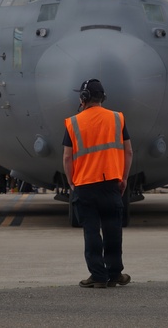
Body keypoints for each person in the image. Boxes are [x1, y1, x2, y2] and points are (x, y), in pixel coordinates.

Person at [62, 78, 134, 289]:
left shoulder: (73, 123)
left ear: (83, 97)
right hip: (111, 184)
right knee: (113, 231)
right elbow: (128, 151)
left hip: (84, 185)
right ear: (103, 97)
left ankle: (98, 276)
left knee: (91, 231)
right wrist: (123, 178)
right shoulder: (117, 118)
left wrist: (71, 181)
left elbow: (67, 157)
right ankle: (115, 274)